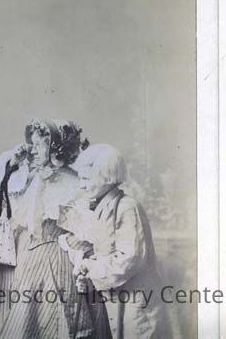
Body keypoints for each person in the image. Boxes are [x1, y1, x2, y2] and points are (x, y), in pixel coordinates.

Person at [0, 119, 110, 339]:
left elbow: (88, 228)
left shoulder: (75, 181)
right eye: (32, 144)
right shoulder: (28, 175)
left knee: (46, 321)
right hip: (22, 253)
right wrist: (13, 165)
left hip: (55, 258)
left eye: (39, 145)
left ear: (56, 148)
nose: (32, 150)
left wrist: (72, 246)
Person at [61, 144, 169, 339]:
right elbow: (106, 251)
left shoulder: (127, 207)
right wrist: (87, 269)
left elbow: (129, 259)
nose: (81, 185)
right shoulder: (103, 207)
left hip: (137, 301)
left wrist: (90, 268)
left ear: (105, 177)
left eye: (86, 179)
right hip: (118, 298)